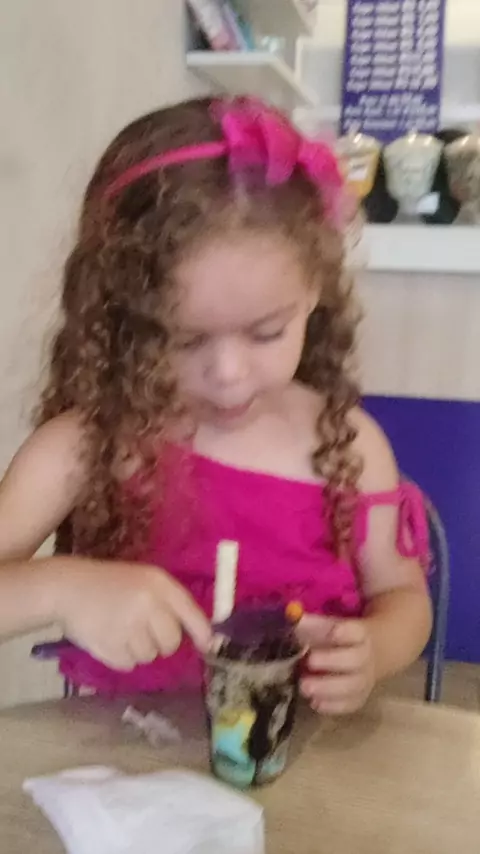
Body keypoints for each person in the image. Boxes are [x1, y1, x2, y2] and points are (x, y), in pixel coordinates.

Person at [0, 96, 432, 714]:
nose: (228, 375)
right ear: (126, 319)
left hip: (307, 755)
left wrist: (376, 649)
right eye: (184, 339)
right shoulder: (90, 444)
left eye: (266, 332)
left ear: (313, 291)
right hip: (130, 761)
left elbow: (404, 597)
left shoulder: (349, 448)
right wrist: (60, 587)